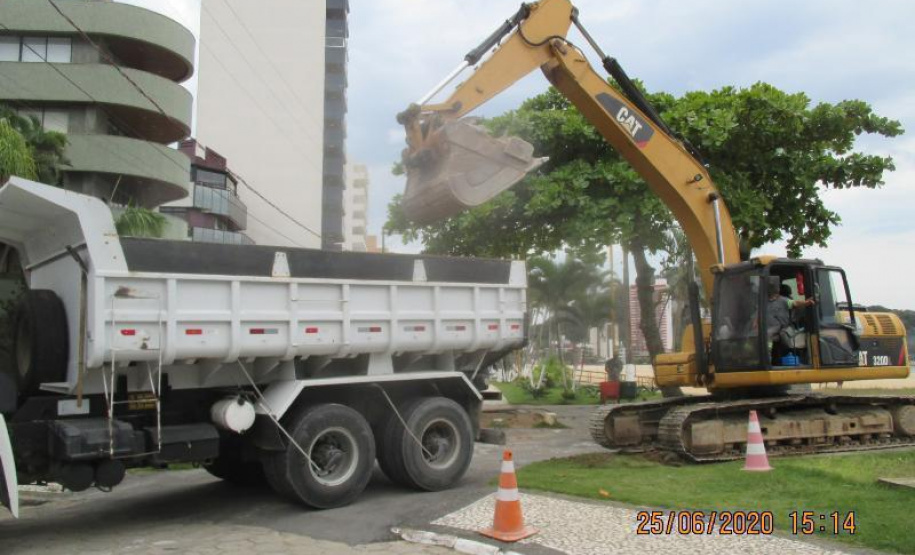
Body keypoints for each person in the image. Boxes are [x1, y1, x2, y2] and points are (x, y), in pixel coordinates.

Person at [767, 277, 814, 364]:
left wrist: (806, 303)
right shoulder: (767, 302)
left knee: (768, 336)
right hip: (772, 328)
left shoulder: (784, 300)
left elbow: (795, 303)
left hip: (783, 329)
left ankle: (767, 360)